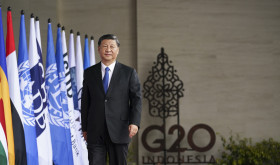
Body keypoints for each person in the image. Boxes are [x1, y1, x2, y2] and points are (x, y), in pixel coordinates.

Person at [81, 34, 142, 165]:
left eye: (112, 46)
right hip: (95, 130)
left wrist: (135, 122)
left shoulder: (129, 72)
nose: (108, 49)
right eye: (105, 46)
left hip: (120, 129)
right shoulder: (89, 72)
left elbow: (136, 99)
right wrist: (84, 127)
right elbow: (85, 101)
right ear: (99, 49)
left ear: (118, 50)